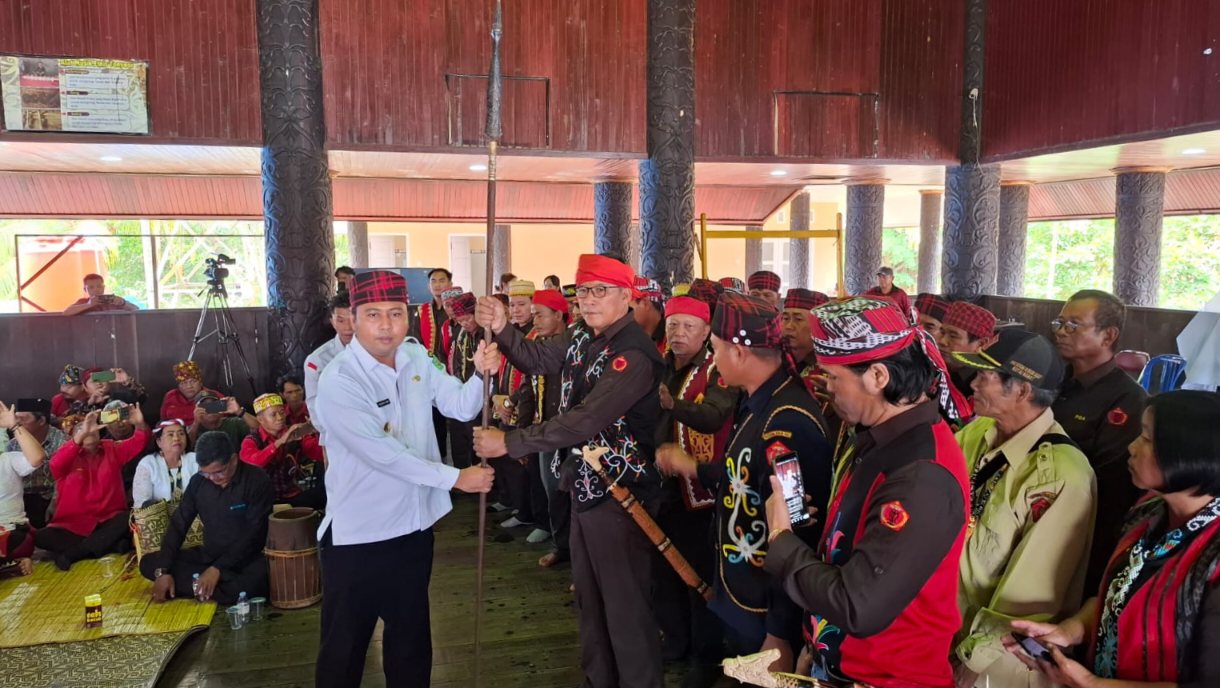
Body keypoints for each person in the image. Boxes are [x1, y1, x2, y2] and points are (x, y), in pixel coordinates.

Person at [471, 254, 665, 688]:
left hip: (622, 495)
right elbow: (537, 358)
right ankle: (600, 680)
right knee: (591, 599)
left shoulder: (634, 353)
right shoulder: (581, 336)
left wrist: (512, 441)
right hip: (585, 484)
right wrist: (503, 326)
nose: (591, 301)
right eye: (585, 292)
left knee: (625, 605)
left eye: (602, 291)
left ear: (627, 297)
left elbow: (586, 418)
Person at [762, 297, 971, 687]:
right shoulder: (882, 439)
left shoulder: (921, 475)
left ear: (877, 376)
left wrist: (780, 537)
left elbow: (859, 606)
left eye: (833, 377)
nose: (827, 388)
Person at [311, 270, 498, 688]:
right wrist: (455, 478)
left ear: (408, 317)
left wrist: (481, 375)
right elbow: (384, 455)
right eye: (373, 314)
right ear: (353, 318)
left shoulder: (415, 356)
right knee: (343, 650)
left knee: (411, 643)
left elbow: (460, 405)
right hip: (359, 536)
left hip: (413, 528)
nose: (385, 325)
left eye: (395, 313)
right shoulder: (339, 380)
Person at [657, 293, 832, 677]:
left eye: (716, 349)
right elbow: (744, 476)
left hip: (763, 610)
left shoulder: (788, 421)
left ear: (738, 352)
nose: (714, 361)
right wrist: (697, 470)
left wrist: (779, 632)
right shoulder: (759, 404)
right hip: (743, 594)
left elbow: (797, 530)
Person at [1005, 390, 1220, 687]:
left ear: (1187, 455)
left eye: (1146, 438)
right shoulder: (1148, 512)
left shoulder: (1214, 556)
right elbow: (1117, 593)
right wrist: (1071, 630)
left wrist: (1092, 683)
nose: (1132, 448)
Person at [949, 329, 1097, 688]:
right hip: (944, 634)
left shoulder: (1061, 475)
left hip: (1000, 663)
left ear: (1022, 390)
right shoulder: (976, 433)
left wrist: (972, 661)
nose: (973, 383)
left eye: (985, 376)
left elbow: (1030, 598)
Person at [651, 295, 737, 683]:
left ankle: (706, 658)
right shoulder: (660, 363)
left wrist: (675, 405)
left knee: (699, 578)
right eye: (673, 325)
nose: (679, 334)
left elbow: (714, 414)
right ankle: (676, 641)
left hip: (702, 491)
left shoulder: (717, 368)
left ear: (706, 333)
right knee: (665, 571)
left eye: (689, 327)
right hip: (664, 486)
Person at [1051, 289, 1148, 594]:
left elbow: (1109, 485)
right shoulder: (1054, 381)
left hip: (1082, 527)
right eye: (1060, 323)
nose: (1061, 332)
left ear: (1108, 336)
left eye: (1074, 325)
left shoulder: (1127, 399)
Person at [143, 431, 272, 607]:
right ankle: (208, 586)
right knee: (148, 563)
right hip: (208, 556)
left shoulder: (257, 480)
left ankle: (201, 586)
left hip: (246, 559)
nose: (212, 478)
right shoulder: (198, 482)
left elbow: (255, 534)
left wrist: (217, 569)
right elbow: (179, 524)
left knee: (259, 582)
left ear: (233, 459)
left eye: (218, 472)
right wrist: (163, 571)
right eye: (206, 474)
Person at [501, 289, 572, 564]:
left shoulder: (572, 347)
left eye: (540, 315)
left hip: (571, 432)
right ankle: (561, 546)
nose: (536, 321)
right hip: (544, 430)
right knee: (550, 490)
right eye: (534, 316)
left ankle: (574, 554)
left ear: (558, 314)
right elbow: (528, 387)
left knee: (570, 495)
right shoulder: (538, 345)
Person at [36, 407, 150, 570]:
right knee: (41, 537)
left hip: (109, 520)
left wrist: (139, 424)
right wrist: (82, 434)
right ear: (73, 436)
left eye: (92, 428)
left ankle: (76, 553)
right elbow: (55, 464)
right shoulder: (66, 455)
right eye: (82, 429)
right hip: (73, 526)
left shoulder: (111, 448)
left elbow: (139, 442)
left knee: (130, 516)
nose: (89, 431)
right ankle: (109, 545)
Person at [240, 393, 324, 508]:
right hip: (265, 499)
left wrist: (319, 432)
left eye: (282, 412)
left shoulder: (295, 433)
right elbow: (251, 464)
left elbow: (319, 454)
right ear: (260, 419)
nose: (280, 418)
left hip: (293, 495)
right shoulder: (252, 440)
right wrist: (279, 443)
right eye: (273, 415)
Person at [409, 268, 455, 458]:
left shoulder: (456, 310)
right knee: (433, 420)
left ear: (450, 284)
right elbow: (415, 340)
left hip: (453, 372)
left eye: (442, 281)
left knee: (456, 420)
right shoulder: (422, 311)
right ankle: (440, 459)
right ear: (429, 286)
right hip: (429, 373)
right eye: (434, 281)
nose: (438, 285)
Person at [0, 398, 65, 528]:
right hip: (21, 496)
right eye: (15, 418)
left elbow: (66, 476)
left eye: (22, 419)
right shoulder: (13, 444)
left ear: (41, 421)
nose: (17, 423)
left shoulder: (62, 442)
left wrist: (56, 501)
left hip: (49, 495)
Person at [0, 401, 48, 576]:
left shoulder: (7, 460)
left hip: (11, 531)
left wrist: (13, 424)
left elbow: (37, 458)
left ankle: (10, 563)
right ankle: (9, 566)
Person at [443, 290, 481, 472]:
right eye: (461, 321)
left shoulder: (486, 334)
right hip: (462, 390)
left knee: (478, 440)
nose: (465, 324)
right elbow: (456, 360)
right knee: (461, 436)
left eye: (468, 319)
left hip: (482, 395)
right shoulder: (461, 334)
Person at [305, 292, 355, 412]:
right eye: (341, 320)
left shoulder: (377, 352)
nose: (348, 327)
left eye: (353, 320)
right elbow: (314, 405)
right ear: (332, 322)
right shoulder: (317, 360)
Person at [132, 420, 199, 507]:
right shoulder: (148, 464)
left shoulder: (196, 460)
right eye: (170, 435)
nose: (176, 438)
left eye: (181, 434)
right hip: (158, 517)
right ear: (159, 442)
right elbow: (141, 502)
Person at [160, 361, 221, 426]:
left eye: (193, 381)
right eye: (184, 382)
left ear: (200, 382)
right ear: (179, 385)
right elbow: (162, 421)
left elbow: (222, 420)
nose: (189, 386)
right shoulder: (170, 396)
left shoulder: (214, 396)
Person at [189, 393, 253, 449]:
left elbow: (259, 429)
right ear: (197, 410)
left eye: (214, 405)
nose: (210, 410)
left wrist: (239, 411)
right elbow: (187, 447)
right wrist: (196, 423)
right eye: (205, 407)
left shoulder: (235, 423)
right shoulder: (193, 429)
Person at [63, 274, 139, 315]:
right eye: (91, 287)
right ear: (85, 290)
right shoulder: (83, 302)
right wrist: (89, 305)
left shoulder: (113, 300)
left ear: (103, 287)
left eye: (99, 286)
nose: (96, 290)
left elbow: (136, 309)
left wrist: (123, 302)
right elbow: (66, 312)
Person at [631, 276, 668, 353]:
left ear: (645, 303)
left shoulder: (674, 337)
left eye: (627, 307)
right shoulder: (629, 336)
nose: (621, 314)